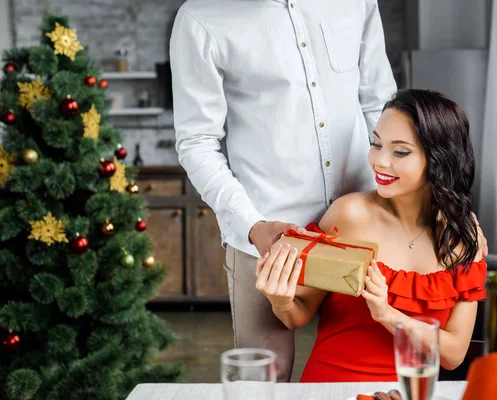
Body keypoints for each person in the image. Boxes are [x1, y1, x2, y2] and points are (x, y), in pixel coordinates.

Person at [169, 0, 400, 382]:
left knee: (368, 374)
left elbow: (382, 106)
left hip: (364, 223)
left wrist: (428, 204)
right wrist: (251, 225)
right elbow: (197, 142)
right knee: (264, 381)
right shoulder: (200, 18)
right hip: (267, 240)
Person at [255, 88, 488, 382]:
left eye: (400, 151)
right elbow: (299, 314)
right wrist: (281, 300)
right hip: (332, 388)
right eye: (375, 144)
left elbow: (454, 354)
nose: (380, 161)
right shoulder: (350, 215)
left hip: (409, 392)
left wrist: (388, 315)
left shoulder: (464, 239)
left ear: (440, 159)